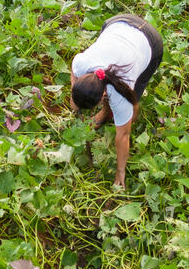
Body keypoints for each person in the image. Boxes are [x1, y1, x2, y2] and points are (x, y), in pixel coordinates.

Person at [70, 14, 164, 188]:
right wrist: (74, 100)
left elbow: (123, 136)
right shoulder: (82, 63)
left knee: (132, 104)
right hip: (116, 22)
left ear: (103, 96)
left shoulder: (122, 92)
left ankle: (113, 113)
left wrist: (120, 172)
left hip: (150, 42)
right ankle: (105, 113)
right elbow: (73, 74)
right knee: (118, 108)